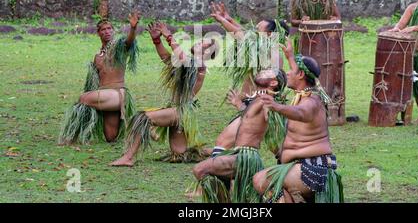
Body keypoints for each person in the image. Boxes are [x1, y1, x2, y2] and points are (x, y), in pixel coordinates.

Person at [111, 22, 218, 166]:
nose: (197, 43)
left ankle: (128, 157)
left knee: (142, 118)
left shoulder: (200, 65)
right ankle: (220, 152)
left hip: (181, 111)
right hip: (181, 113)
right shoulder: (190, 62)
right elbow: (167, 59)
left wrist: (169, 36)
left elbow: (181, 58)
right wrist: (157, 41)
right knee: (180, 153)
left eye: (201, 44)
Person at [252, 39, 344, 203]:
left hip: (313, 169)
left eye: (290, 70)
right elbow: (298, 72)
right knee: (275, 192)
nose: (287, 73)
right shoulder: (303, 96)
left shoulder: (312, 101)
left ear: (301, 75)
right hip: (302, 167)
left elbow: (302, 114)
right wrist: (290, 56)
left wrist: (276, 106)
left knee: (261, 180)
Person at [192, 68, 287, 203]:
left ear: (273, 83)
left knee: (199, 170)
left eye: (267, 72)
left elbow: (270, 117)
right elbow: (251, 119)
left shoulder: (267, 101)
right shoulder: (258, 99)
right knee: (222, 180)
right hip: (239, 155)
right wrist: (239, 104)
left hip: (246, 158)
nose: (262, 71)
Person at [210, 2, 289, 155]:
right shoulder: (269, 49)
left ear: (269, 36)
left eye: (257, 30)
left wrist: (222, 21)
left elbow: (243, 36)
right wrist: (230, 19)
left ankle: (220, 172)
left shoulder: (267, 51)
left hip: (257, 105)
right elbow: (247, 34)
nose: (252, 32)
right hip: (259, 103)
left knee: (223, 142)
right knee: (278, 148)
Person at [58, 12, 140, 144]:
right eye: (103, 29)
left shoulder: (119, 47)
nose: (107, 32)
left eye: (109, 29)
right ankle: (138, 129)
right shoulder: (97, 57)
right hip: (104, 96)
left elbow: (129, 42)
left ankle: (71, 136)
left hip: (117, 94)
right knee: (110, 137)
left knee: (83, 98)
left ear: (113, 31)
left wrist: (133, 28)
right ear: (98, 33)